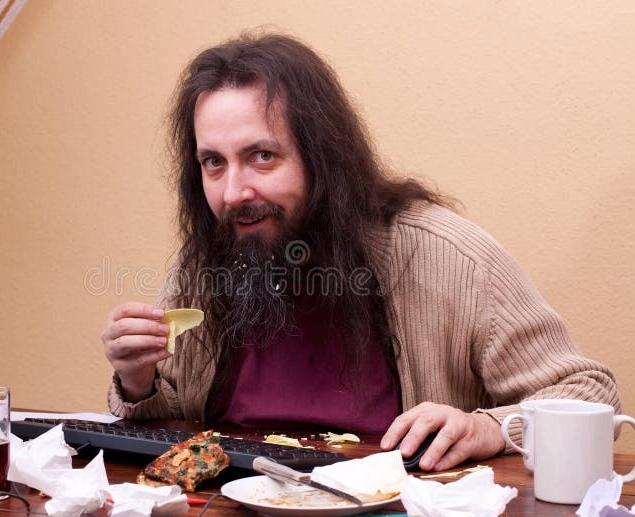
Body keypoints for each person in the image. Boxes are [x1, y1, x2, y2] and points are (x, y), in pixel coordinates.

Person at [101, 32, 619, 471]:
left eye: (262, 156)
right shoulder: (209, 261)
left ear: (322, 157)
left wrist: (488, 427)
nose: (233, 192)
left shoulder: (448, 256)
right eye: (214, 162)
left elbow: (591, 392)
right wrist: (136, 378)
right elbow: (168, 426)